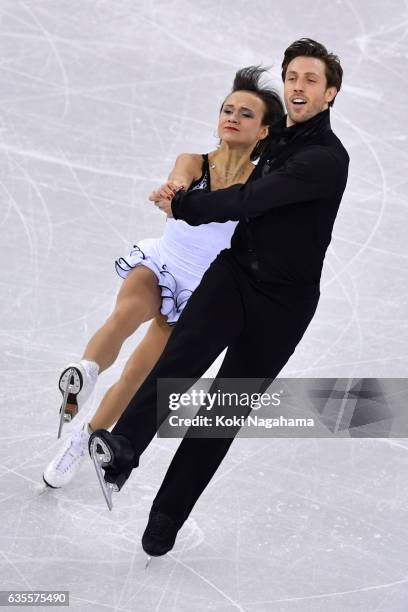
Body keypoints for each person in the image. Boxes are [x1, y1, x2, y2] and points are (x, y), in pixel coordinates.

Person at [89, 37, 350, 558]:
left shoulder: (325, 158)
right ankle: (123, 447)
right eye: (292, 77)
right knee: (179, 356)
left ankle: (166, 517)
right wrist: (176, 185)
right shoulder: (273, 138)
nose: (298, 87)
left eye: (310, 80)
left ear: (330, 94)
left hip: (285, 306)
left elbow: (254, 197)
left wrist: (190, 207)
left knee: (222, 411)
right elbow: (211, 153)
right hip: (233, 277)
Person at [42, 67, 284, 488]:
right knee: (126, 314)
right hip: (161, 263)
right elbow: (179, 180)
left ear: (264, 130)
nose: (233, 116)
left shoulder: (263, 185)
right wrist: (170, 193)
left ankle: (81, 440)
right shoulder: (196, 162)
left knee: (139, 376)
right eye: (228, 109)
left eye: (246, 114)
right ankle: (85, 372)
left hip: (201, 295)